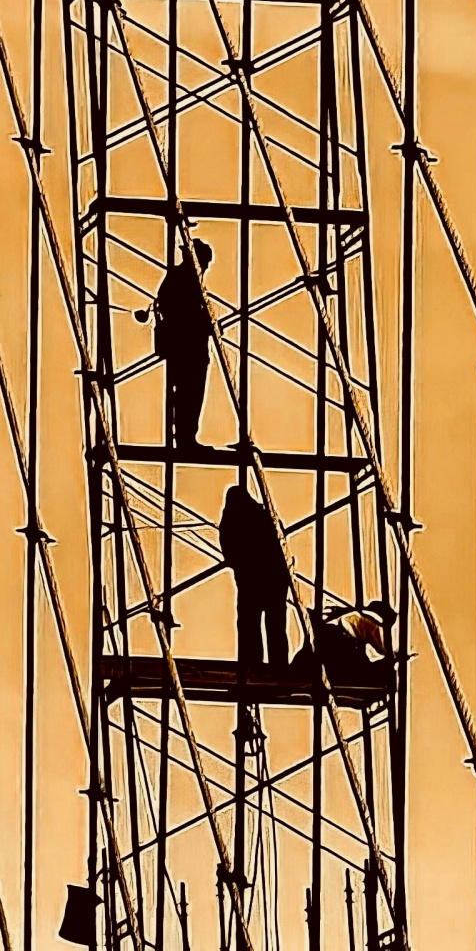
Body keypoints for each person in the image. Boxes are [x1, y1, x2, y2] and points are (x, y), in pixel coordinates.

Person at [149, 233, 215, 454]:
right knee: (189, 394)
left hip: (188, 348)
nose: (205, 269)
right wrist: (203, 323)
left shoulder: (180, 279)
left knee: (188, 395)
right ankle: (186, 438)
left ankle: (186, 437)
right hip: (187, 349)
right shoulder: (182, 280)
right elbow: (179, 313)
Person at [218, 481, 290, 670]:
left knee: (250, 624)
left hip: (253, 582)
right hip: (271, 581)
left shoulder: (233, 518)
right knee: (273, 624)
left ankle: (253, 665)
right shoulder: (265, 516)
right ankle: (277, 666)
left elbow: (229, 552)